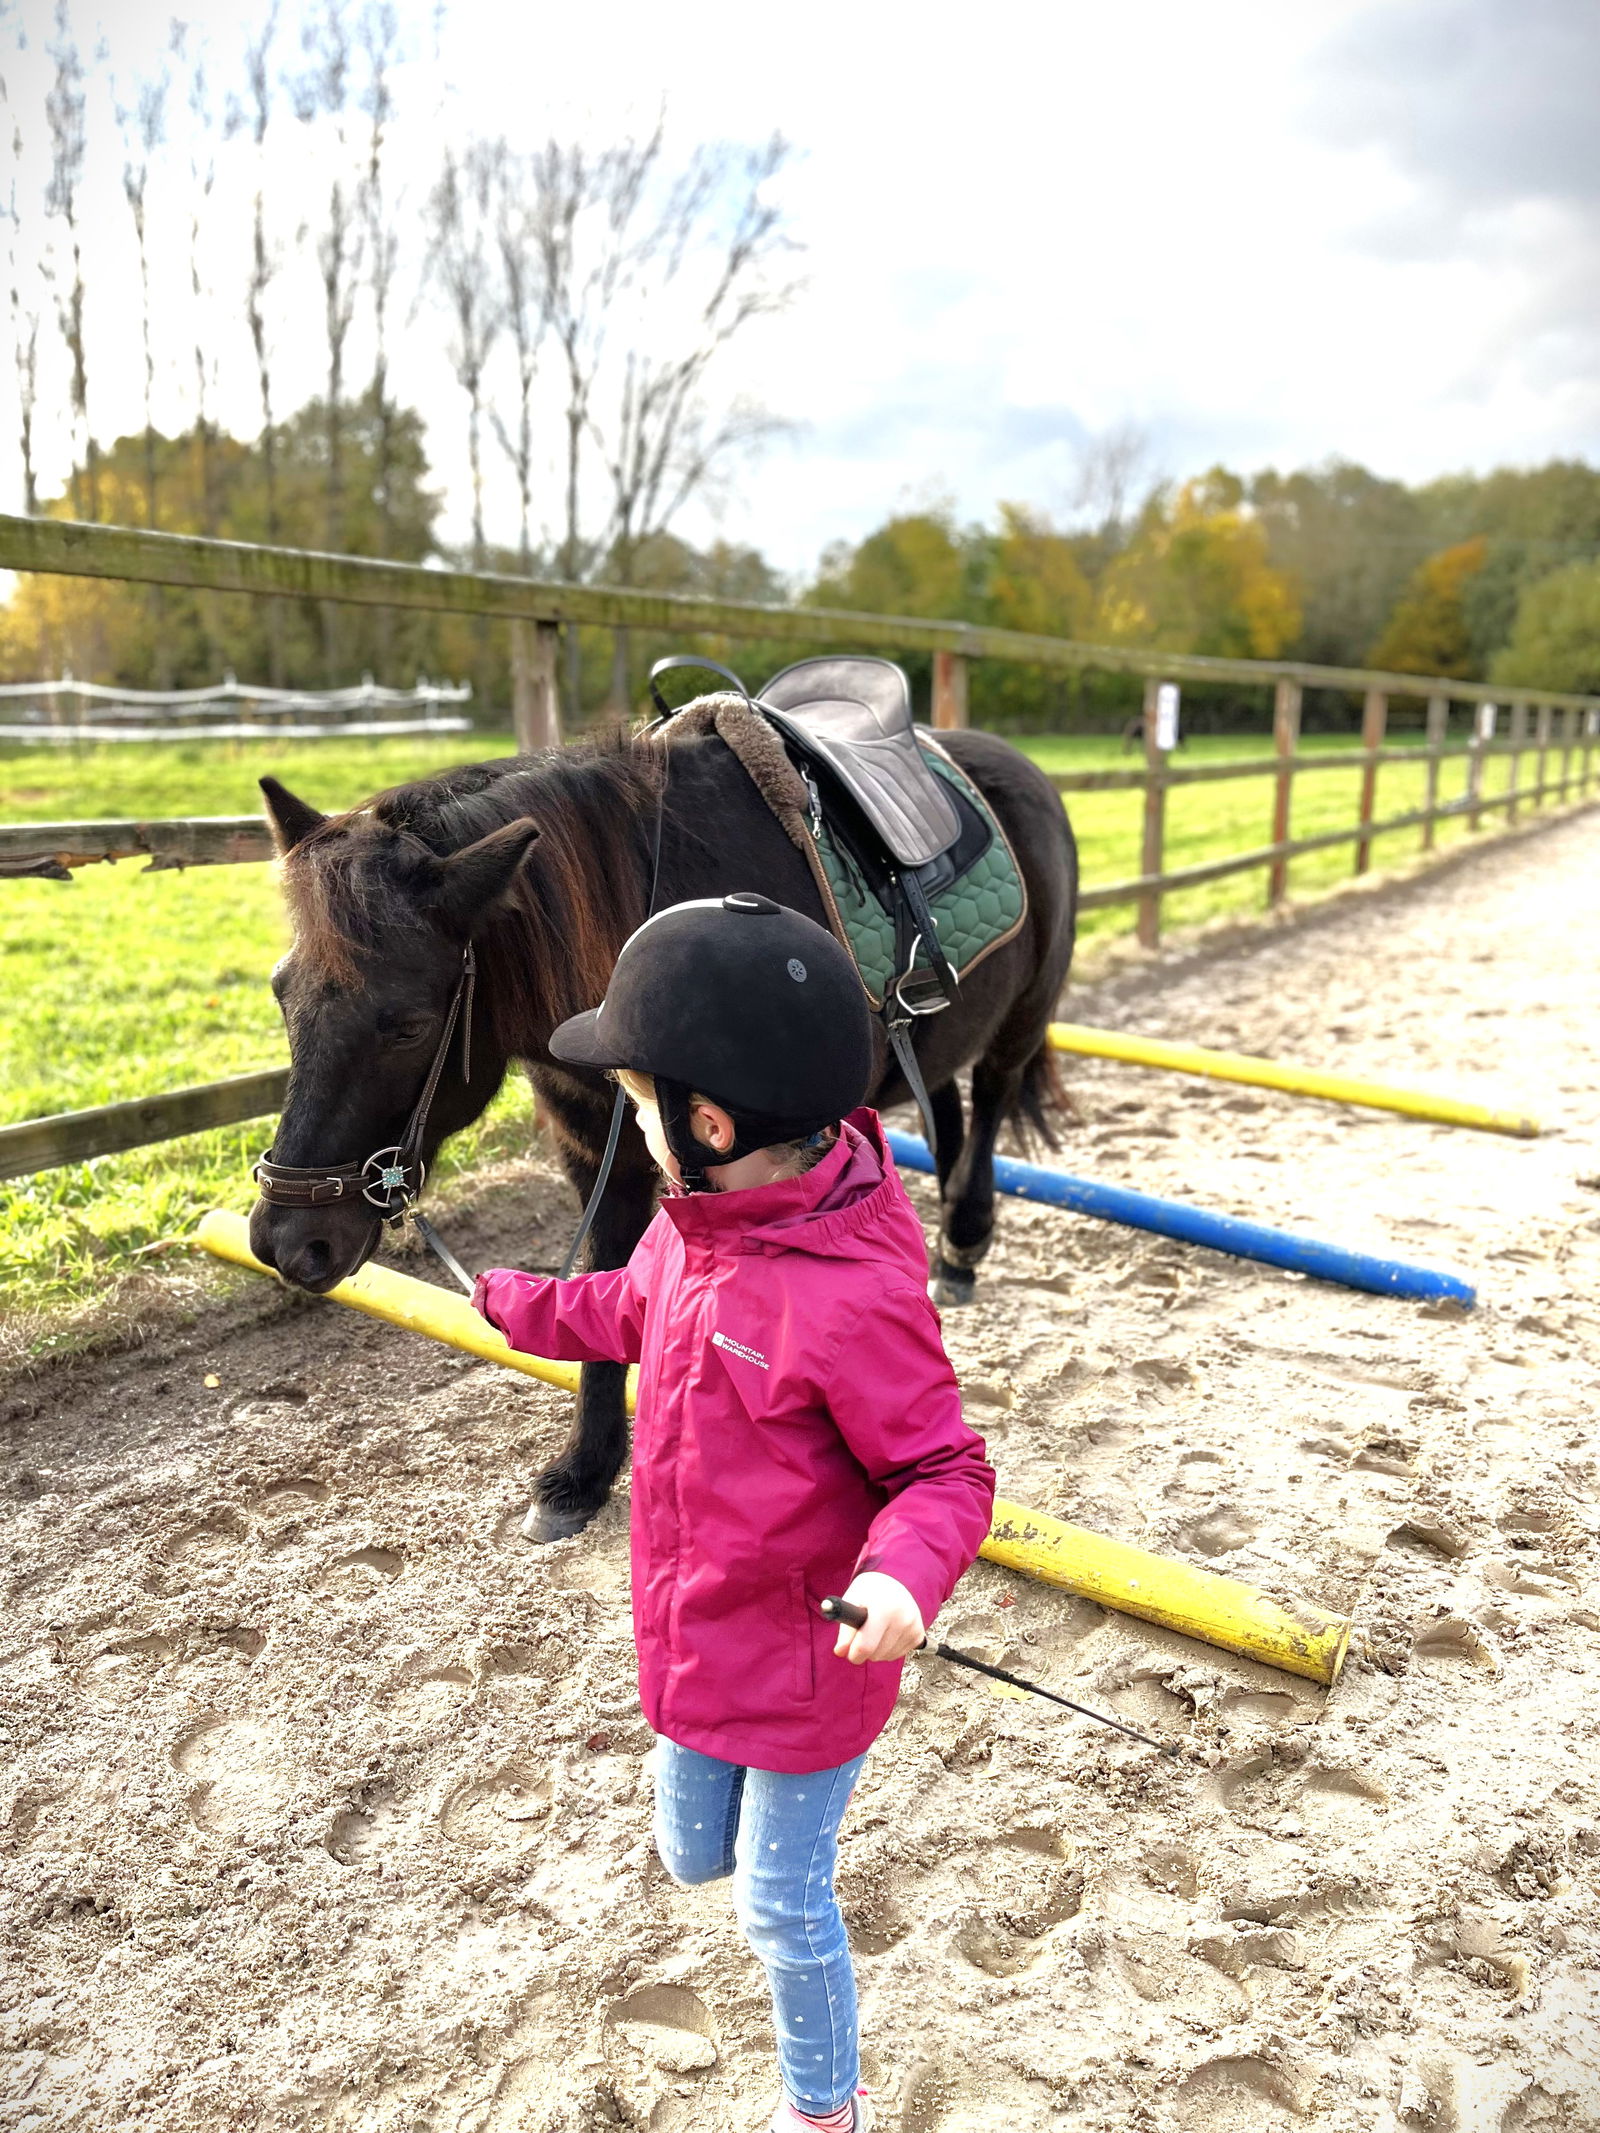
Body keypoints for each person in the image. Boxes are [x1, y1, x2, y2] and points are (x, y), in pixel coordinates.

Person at [472, 893, 995, 2133]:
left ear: (709, 1122)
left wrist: (902, 1583)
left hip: (814, 1667)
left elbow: (945, 1473)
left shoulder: (855, 1297)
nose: (632, 1118)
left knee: (777, 1906)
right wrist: (512, 1302)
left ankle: (826, 2111)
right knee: (691, 1860)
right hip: (694, 1633)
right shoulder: (692, 1224)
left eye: (642, 1100)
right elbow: (623, 1312)